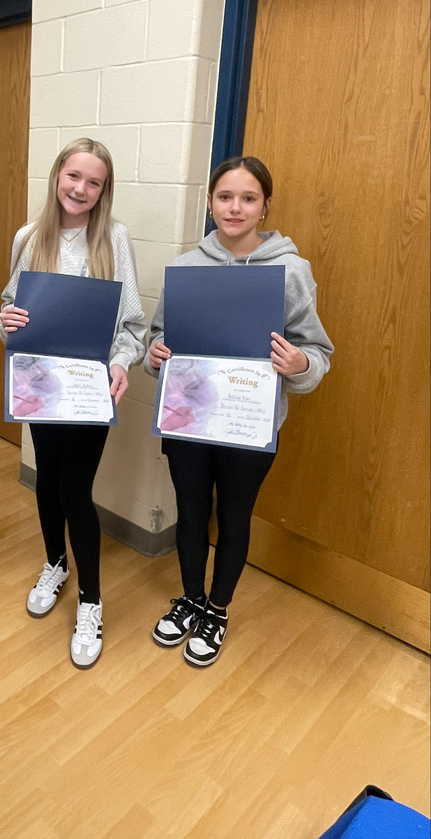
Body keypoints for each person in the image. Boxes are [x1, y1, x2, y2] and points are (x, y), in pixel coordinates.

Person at [146, 156, 333, 667]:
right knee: (190, 512)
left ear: (265, 206)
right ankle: (188, 598)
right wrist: (156, 354)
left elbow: (318, 355)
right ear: (210, 203)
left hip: (249, 426)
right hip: (189, 422)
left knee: (233, 517)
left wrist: (298, 363)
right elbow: (158, 338)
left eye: (248, 198)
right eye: (225, 197)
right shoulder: (186, 268)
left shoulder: (291, 271)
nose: (235, 208)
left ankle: (217, 610)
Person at [0, 139, 146, 669]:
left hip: (89, 388)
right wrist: (7, 323)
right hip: (41, 385)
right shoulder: (28, 237)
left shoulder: (114, 239)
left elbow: (132, 324)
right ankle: (55, 564)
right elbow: (8, 310)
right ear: (57, 174)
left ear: (104, 190)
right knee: (47, 478)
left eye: (94, 182)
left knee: (73, 488)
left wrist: (121, 362)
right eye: (74, 176)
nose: (81, 189)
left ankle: (91, 602)